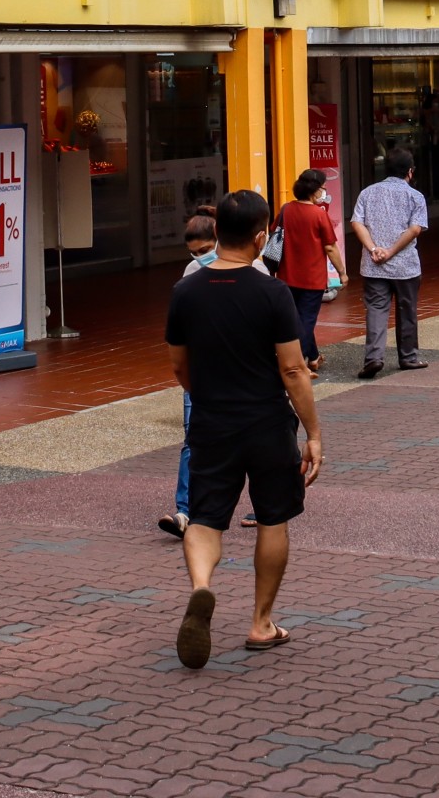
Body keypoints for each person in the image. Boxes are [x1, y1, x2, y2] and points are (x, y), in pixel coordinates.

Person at [166, 189, 324, 667]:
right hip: (266, 421)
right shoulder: (272, 292)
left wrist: (205, 394)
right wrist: (313, 432)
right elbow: (294, 370)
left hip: (213, 420)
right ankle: (261, 623)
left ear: (216, 233)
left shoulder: (186, 291)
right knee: (273, 517)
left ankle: (201, 588)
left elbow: (178, 364)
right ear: (261, 237)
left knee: (206, 515)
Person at [161, 207, 269, 540]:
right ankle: (186, 512)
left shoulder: (259, 272)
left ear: (219, 240)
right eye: (194, 253)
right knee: (193, 440)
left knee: (256, 439)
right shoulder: (190, 275)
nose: (199, 258)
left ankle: (263, 506)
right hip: (204, 372)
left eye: (205, 251)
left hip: (245, 372)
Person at [348, 148, 430, 378]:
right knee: (407, 310)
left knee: (375, 310)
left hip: (373, 265)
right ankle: (408, 357)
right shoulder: (415, 197)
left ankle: (373, 358)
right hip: (405, 266)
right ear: (410, 172)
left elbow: (357, 223)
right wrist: (392, 251)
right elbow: (415, 229)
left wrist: (374, 249)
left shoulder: (367, 193)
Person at [275, 171, 343, 376]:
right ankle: (297, 364)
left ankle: (313, 358)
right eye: (323, 187)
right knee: (306, 320)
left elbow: (275, 236)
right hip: (312, 278)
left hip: (287, 275)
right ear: (314, 190)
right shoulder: (318, 214)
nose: (324, 191)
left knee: (299, 319)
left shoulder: (286, 210)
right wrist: (342, 272)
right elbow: (330, 247)